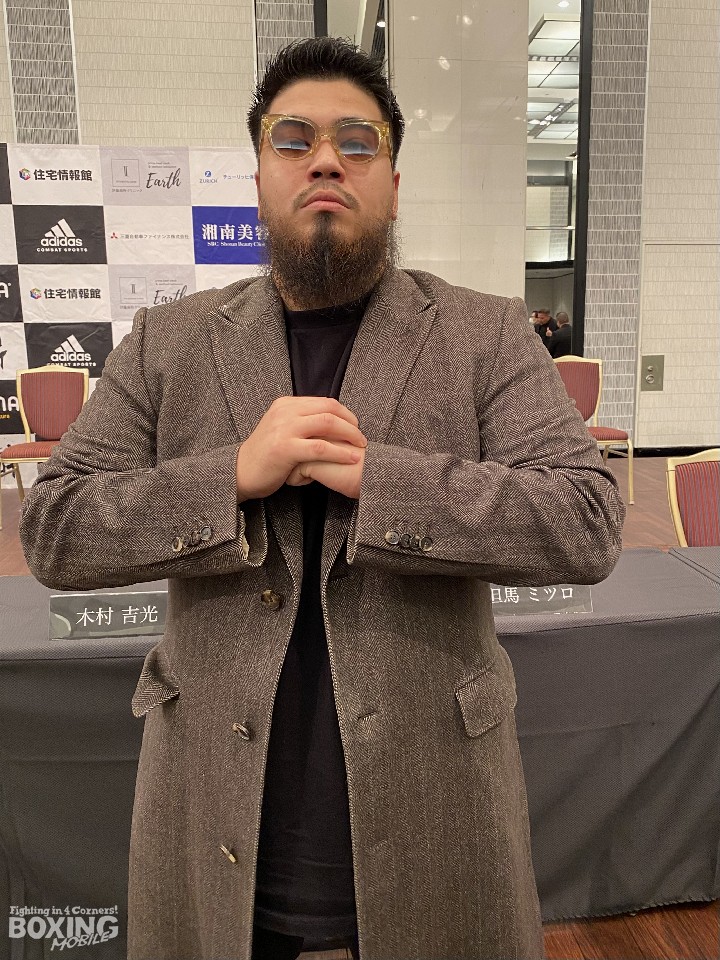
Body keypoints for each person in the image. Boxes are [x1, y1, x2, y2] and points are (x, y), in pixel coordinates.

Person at [19, 37, 625, 960]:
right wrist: (231, 475)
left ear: (394, 182)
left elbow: (586, 520)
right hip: (216, 812)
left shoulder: (485, 334)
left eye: (358, 140)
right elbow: (56, 529)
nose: (326, 160)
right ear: (260, 175)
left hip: (436, 807)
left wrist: (383, 480)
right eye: (294, 139)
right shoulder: (167, 343)